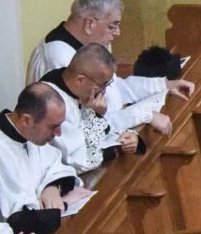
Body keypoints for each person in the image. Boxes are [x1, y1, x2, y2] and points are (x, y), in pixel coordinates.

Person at [25, 0, 191, 99]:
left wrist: (164, 85)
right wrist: (144, 116)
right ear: (90, 24)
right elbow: (87, 118)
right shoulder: (59, 59)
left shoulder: (85, 49)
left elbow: (115, 89)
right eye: (113, 26)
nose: (117, 33)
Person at [0, 89, 76, 232]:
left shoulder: (30, 133)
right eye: (53, 127)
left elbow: (56, 165)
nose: (58, 133)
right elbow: (14, 214)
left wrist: (52, 187)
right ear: (26, 120)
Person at [38, 46, 150, 177]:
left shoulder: (80, 90)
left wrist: (127, 137)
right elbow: (79, 162)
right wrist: (96, 116)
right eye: (102, 84)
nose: (104, 91)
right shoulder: (53, 106)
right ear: (80, 80)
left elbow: (99, 133)